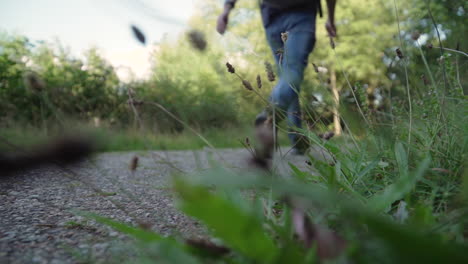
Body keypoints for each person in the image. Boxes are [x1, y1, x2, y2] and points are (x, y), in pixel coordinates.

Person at [217, 0, 337, 155]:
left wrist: (227, 9)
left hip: (273, 15)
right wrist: (331, 18)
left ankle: (298, 140)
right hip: (294, 13)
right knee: (291, 73)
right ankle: (268, 119)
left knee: (288, 76)